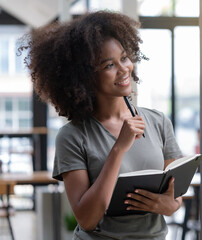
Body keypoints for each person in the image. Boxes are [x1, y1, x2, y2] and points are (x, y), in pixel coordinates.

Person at [19, 11, 183, 239]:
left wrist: (168, 205)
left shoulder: (158, 121)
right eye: (109, 65)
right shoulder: (72, 136)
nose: (124, 68)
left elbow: (175, 196)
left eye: (124, 58)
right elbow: (87, 219)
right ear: (85, 77)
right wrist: (118, 148)